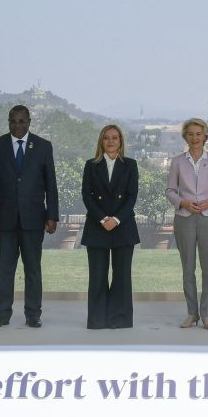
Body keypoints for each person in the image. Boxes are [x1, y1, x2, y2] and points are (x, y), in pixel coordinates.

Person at [0, 105, 58, 328]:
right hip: (4, 220)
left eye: (21, 121)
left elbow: (51, 185)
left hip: (33, 220)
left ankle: (33, 314)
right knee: (5, 271)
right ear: (8, 122)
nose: (17, 125)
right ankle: (1, 314)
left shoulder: (43, 146)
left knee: (33, 270)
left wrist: (52, 215)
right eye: (13, 121)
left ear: (29, 122)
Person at [165, 118, 208, 330]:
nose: (194, 138)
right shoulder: (177, 162)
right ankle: (192, 313)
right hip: (184, 218)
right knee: (188, 268)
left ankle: (206, 313)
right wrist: (183, 202)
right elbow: (170, 190)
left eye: (198, 134)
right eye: (190, 134)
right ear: (185, 136)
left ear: (205, 136)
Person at [80, 124, 139, 329]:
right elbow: (87, 195)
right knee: (97, 276)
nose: (111, 141)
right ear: (101, 141)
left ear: (120, 141)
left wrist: (117, 219)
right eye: (107, 138)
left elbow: (132, 196)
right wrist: (103, 219)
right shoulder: (91, 165)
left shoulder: (130, 165)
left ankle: (119, 319)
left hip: (123, 227)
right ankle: (97, 320)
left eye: (115, 137)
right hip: (97, 227)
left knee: (122, 277)